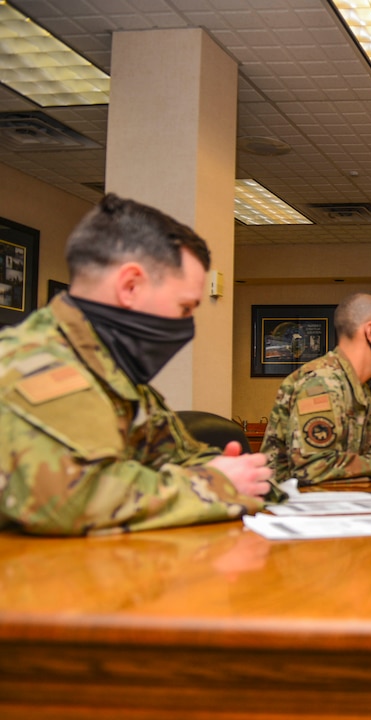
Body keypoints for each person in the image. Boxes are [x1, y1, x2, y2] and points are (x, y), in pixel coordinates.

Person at [0, 194, 272, 536]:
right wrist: (215, 484)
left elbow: (177, 454)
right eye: (185, 307)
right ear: (130, 286)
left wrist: (233, 471)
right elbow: (73, 501)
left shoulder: (116, 374)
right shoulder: (35, 364)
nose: (188, 324)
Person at [261, 293, 371, 485]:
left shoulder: (358, 388)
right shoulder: (323, 382)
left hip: (336, 502)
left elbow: (367, 455)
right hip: (290, 507)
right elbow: (314, 468)